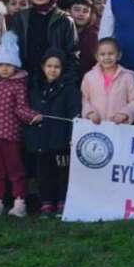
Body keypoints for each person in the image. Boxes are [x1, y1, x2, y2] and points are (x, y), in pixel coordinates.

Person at [0, 32, 38, 218]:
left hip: (11, 135)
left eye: (8, 65)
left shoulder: (19, 85)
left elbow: (21, 108)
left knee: (15, 169)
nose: (4, 69)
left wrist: (34, 117)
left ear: (15, 65)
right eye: (1, 65)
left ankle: (19, 201)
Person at [26, 48, 81, 216]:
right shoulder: (36, 88)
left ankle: (62, 202)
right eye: (49, 66)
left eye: (57, 66)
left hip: (61, 140)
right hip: (41, 140)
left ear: (62, 68)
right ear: (43, 67)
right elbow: (28, 110)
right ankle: (46, 202)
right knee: (44, 174)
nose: (52, 70)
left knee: (62, 174)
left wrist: (73, 136)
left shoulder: (69, 89)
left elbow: (74, 114)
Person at [7, 0, 79, 80]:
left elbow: (73, 54)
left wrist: (65, 80)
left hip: (55, 80)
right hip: (26, 79)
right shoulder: (21, 18)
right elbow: (11, 49)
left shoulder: (64, 20)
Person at [81, 38, 134, 126]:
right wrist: (89, 112)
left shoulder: (127, 77)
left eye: (111, 54)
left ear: (119, 55)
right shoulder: (89, 77)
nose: (107, 57)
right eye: (102, 54)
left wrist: (125, 113)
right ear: (97, 57)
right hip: (95, 127)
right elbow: (84, 99)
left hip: (118, 128)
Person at [68, 0, 98, 77]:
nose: (81, 14)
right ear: (69, 11)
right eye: (77, 10)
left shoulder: (93, 36)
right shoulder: (62, 31)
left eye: (85, 11)